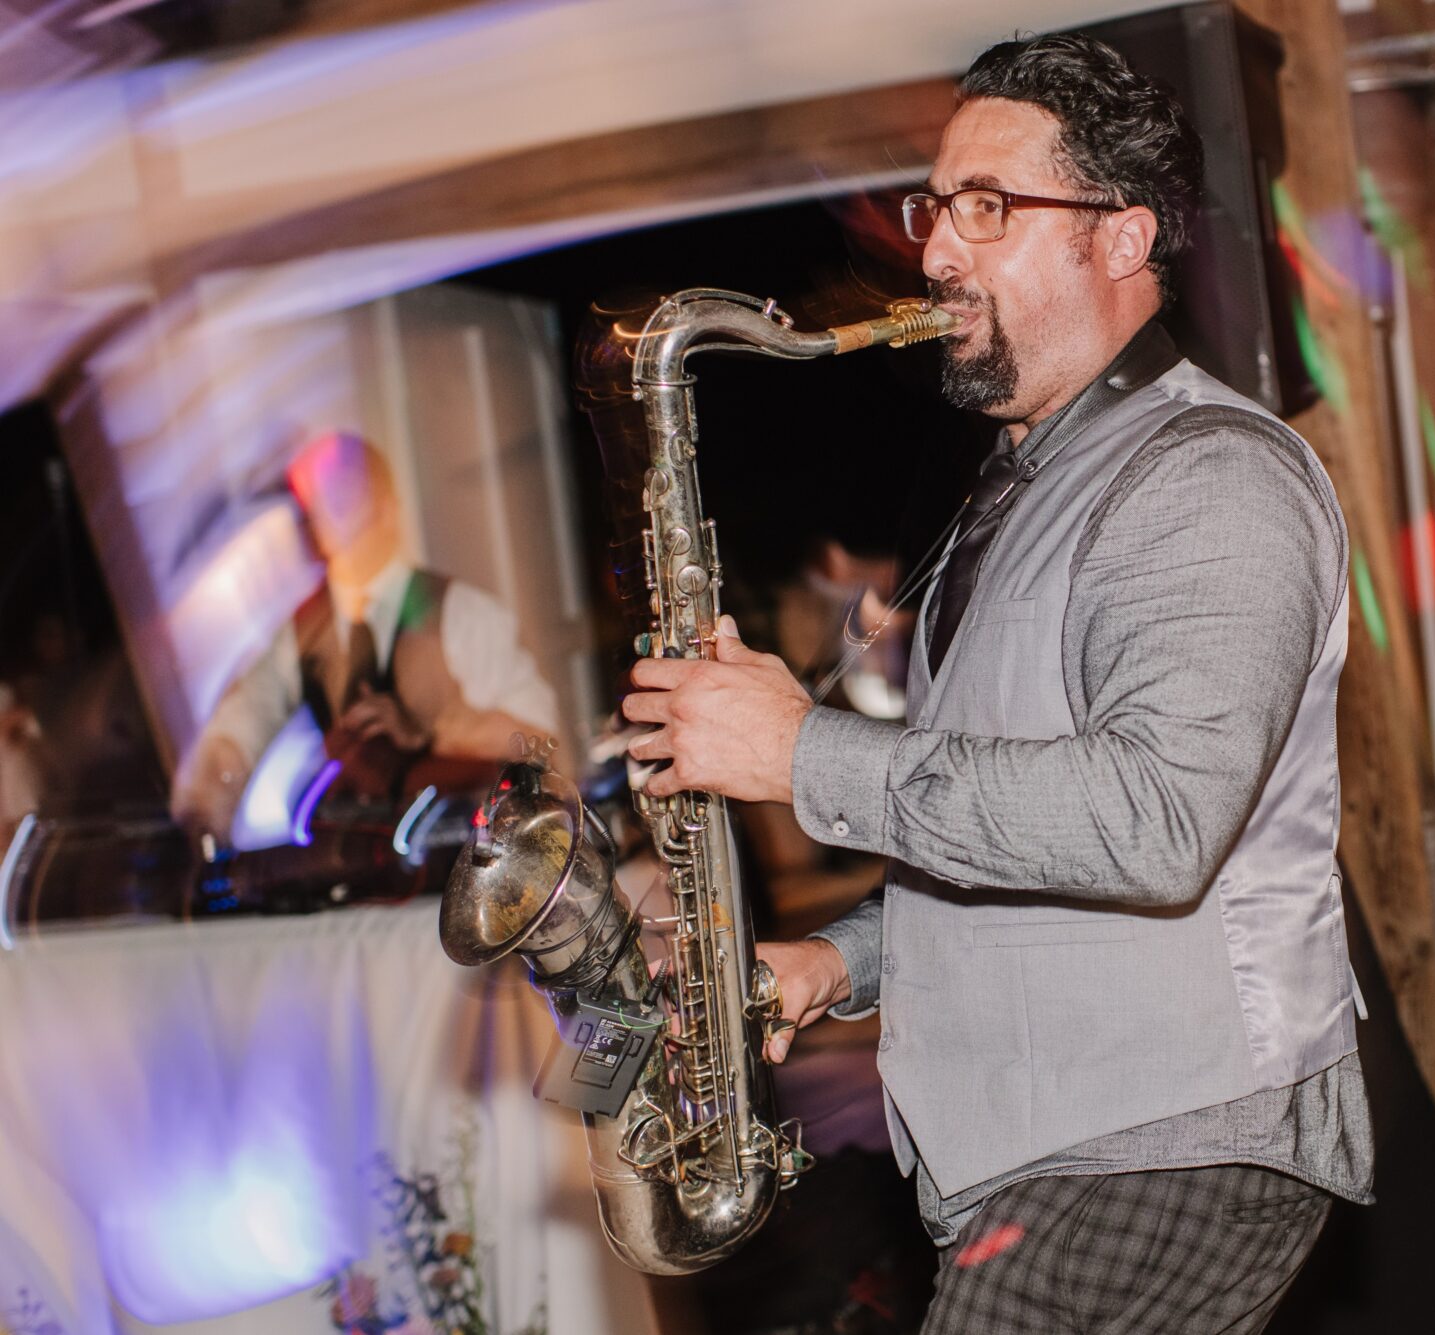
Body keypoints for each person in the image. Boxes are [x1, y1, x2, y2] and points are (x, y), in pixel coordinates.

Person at [622, 33, 1369, 1333]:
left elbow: (1154, 821)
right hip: (1069, 1143)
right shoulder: (1014, 492)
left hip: (1166, 1137)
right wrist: (836, 962)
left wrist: (799, 750)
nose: (936, 250)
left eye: (987, 208)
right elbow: (1007, 839)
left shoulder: (1212, 476)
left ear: (1121, 240)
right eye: (935, 206)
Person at [171, 432, 560, 841]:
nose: (322, 516)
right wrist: (208, 801)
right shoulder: (297, 635)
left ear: (388, 508)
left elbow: (540, 741)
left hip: (463, 857)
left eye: (339, 496)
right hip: (356, 869)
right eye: (312, 503)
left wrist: (432, 731)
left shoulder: (463, 612)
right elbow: (237, 730)